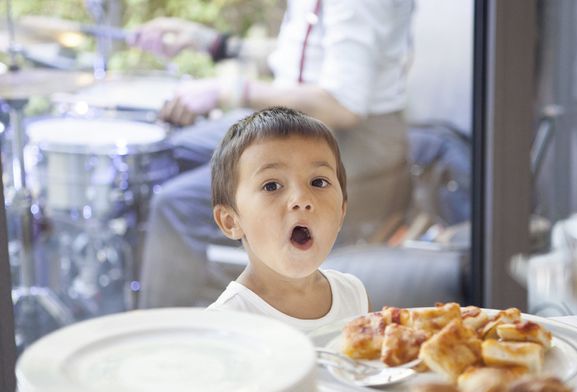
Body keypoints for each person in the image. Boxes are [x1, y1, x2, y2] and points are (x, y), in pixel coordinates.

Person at [132, 0, 415, 307]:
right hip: (294, 122)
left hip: (353, 139)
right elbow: (304, 60)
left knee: (177, 205)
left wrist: (229, 91)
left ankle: (176, 337)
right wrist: (215, 44)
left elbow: (342, 105)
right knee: (167, 154)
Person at [208, 107, 369, 330]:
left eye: (318, 182)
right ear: (231, 221)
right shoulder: (225, 322)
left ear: (341, 212)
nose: (301, 199)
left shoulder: (353, 295)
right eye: (271, 186)